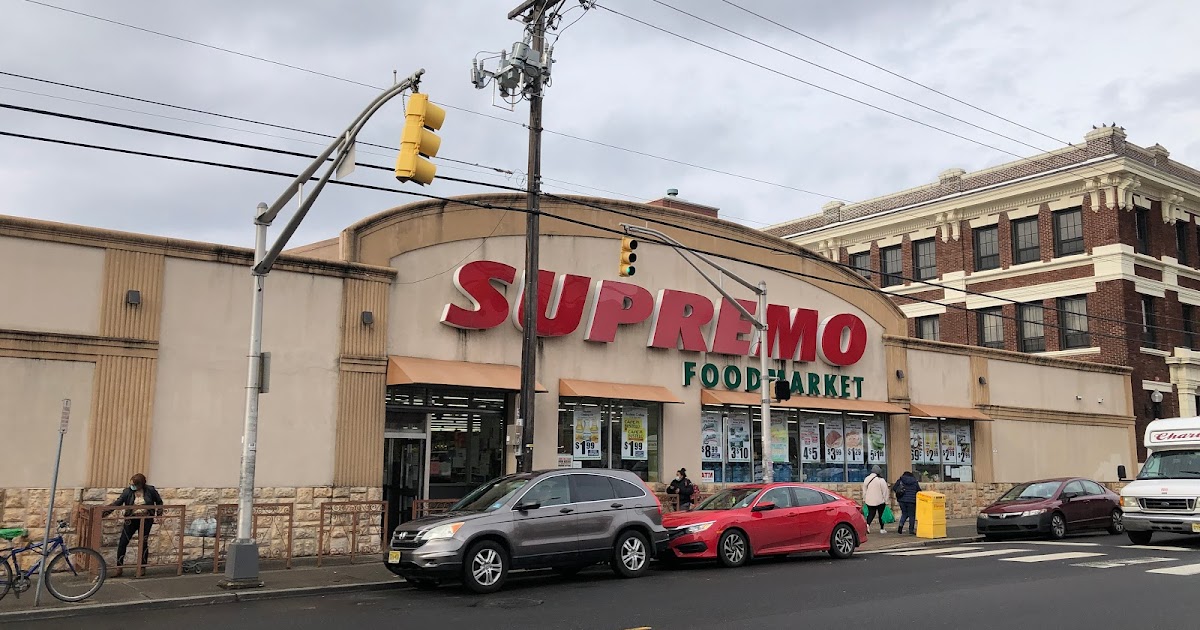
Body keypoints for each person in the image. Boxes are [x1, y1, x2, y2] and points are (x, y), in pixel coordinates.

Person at [105, 473, 163, 576]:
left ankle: (142, 567)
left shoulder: (150, 490)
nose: (132, 486)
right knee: (123, 542)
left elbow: (159, 502)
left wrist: (159, 513)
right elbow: (118, 503)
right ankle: (119, 568)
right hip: (131, 520)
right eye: (131, 484)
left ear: (140, 484)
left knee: (143, 543)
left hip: (145, 520)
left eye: (134, 485)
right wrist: (104, 512)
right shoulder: (127, 491)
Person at [861, 465, 889, 534]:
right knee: (881, 515)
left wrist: (864, 498)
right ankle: (882, 528)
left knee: (871, 514)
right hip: (880, 501)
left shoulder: (867, 479)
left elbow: (864, 490)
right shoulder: (881, 480)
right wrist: (886, 500)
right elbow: (885, 491)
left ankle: (867, 525)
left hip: (869, 500)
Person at [893, 471, 921, 535]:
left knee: (904, 513)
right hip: (912, 501)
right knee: (911, 515)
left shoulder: (901, 480)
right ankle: (911, 530)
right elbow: (919, 490)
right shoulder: (914, 481)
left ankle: (900, 525)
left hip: (902, 500)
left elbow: (894, 488)